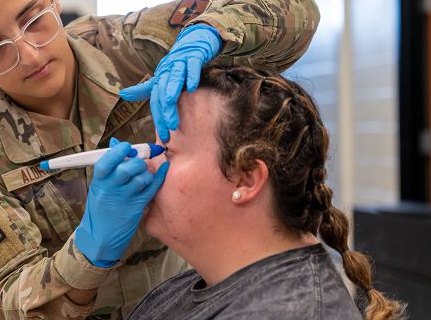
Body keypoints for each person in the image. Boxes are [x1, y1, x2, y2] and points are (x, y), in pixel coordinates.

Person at [0, 0, 320, 320]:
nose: (28, 54)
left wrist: (209, 34)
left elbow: (293, 7)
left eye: (34, 19)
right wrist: (87, 252)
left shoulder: (129, 45)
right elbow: (2, 303)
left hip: (184, 299)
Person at [114, 64, 405, 320]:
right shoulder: (183, 289)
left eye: (167, 151)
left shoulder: (293, 312)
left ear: (246, 179)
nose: (146, 163)